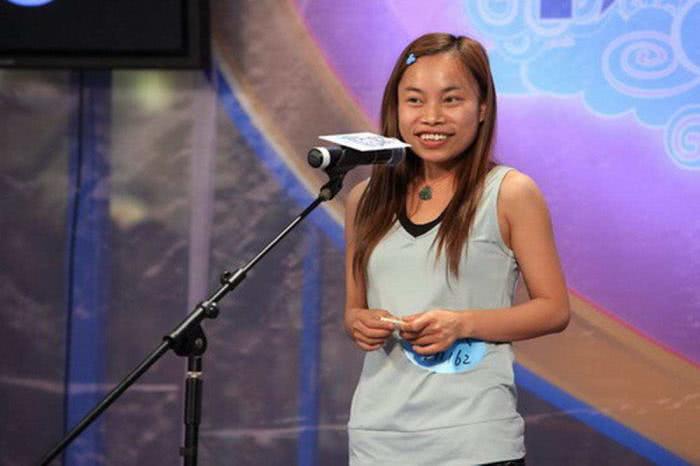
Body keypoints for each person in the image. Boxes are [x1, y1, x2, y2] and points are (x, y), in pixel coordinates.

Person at [343, 33, 570, 466]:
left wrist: (461, 323)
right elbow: (354, 310)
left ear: (482, 107)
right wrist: (361, 322)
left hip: (472, 439)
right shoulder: (365, 199)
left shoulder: (510, 192)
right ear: (395, 107)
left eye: (451, 100)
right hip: (377, 440)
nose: (431, 117)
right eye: (414, 100)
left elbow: (554, 309)